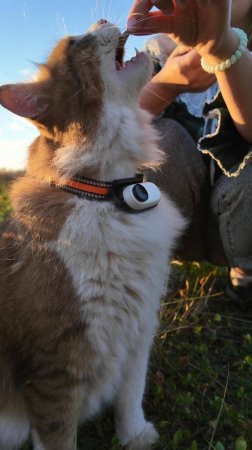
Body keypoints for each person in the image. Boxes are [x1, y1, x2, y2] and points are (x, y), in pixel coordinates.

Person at [127, 0, 252, 302]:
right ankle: (155, 264)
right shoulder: (156, 50)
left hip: (243, 221)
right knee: (161, 137)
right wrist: (166, 85)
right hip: (176, 221)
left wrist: (223, 51)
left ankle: (244, 273)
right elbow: (112, 129)